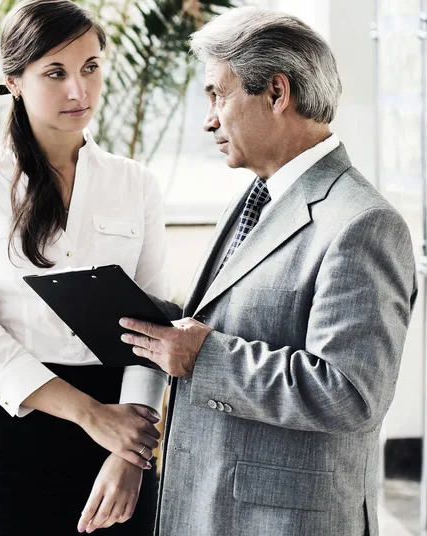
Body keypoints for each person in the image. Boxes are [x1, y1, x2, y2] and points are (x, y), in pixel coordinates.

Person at [120, 7, 417, 536]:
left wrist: (204, 355)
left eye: (217, 94)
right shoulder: (256, 197)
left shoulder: (364, 223)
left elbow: (349, 392)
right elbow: (236, 320)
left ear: (277, 93)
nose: (209, 119)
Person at [0, 1, 169, 535]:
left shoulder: (137, 185)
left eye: (90, 68)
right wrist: (90, 414)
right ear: (14, 80)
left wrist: (130, 453)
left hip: (122, 423)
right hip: (13, 416)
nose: (78, 91)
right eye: (55, 73)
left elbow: (158, 325)